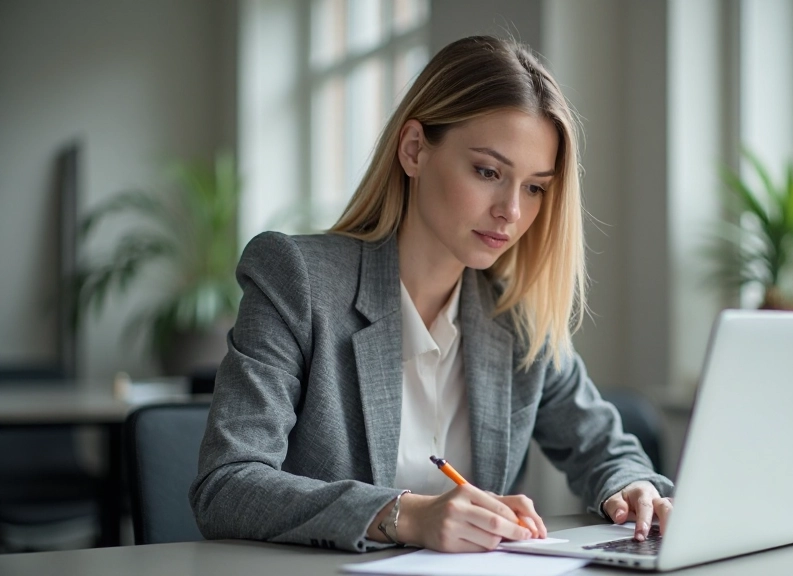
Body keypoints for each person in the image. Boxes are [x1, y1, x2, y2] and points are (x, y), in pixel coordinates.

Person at [189, 35, 673, 554]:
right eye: (488, 172)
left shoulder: (516, 316)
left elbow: (606, 449)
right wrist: (404, 515)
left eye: (534, 187)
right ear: (415, 149)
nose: (511, 211)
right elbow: (227, 485)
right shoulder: (297, 279)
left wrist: (632, 487)